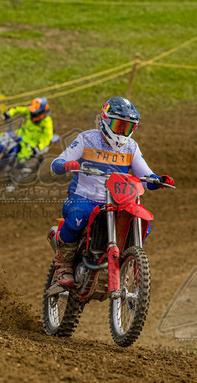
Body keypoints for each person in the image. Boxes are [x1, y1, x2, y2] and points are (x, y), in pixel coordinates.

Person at [50, 97, 174, 287]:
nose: (123, 132)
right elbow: (56, 164)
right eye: (119, 126)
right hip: (83, 198)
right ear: (105, 120)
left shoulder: (131, 147)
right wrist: (66, 164)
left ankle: (126, 264)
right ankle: (64, 264)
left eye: (128, 127)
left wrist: (159, 180)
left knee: (142, 223)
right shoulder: (87, 139)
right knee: (78, 216)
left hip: (118, 202)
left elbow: (145, 176)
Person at [2, 97, 54, 163]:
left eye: (35, 112)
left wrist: (39, 146)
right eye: (32, 111)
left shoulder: (47, 122)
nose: (33, 113)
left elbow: (48, 137)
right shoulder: (30, 111)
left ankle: (20, 167)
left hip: (32, 142)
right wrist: (9, 113)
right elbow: (18, 109)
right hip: (21, 134)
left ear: (42, 111)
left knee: (21, 157)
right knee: (4, 138)